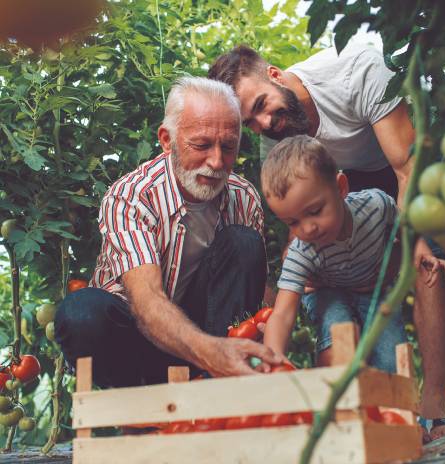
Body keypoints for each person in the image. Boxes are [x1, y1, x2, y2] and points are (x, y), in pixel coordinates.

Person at [209, 45, 445, 441]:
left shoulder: (355, 72)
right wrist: (288, 294)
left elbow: (405, 169)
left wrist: (420, 245)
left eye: (261, 105)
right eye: (250, 123)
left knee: (428, 266)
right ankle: (371, 414)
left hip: (405, 160)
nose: (264, 123)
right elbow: (298, 212)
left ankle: (434, 406)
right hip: (346, 180)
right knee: (329, 282)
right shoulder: (276, 136)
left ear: (274, 74)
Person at [55, 77, 281, 388]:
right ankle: (136, 413)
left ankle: (221, 392)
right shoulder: (131, 196)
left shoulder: (243, 197)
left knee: (244, 243)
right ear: (166, 140)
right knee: (81, 313)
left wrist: (279, 321)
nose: (216, 162)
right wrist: (212, 352)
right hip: (138, 342)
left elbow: (251, 292)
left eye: (228, 146)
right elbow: (147, 303)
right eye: (201, 145)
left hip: (210, 338)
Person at [261, 135, 442, 374]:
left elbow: (404, 226)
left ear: (341, 188)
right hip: (327, 293)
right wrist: (272, 359)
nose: (307, 229)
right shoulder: (301, 252)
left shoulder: (375, 206)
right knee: (340, 338)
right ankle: (335, 402)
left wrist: (422, 250)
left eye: (315, 211)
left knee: (391, 362)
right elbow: (283, 314)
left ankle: (394, 409)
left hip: (372, 290)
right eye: (292, 222)